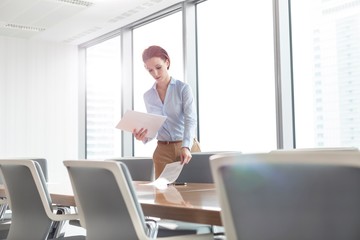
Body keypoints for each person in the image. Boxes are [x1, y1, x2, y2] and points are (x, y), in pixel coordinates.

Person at [133, 45, 201, 178]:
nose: (155, 74)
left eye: (158, 68)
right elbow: (154, 126)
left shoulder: (183, 89)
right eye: (150, 70)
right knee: (163, 196)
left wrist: (186, 146)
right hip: (162, 151)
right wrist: (144, 136)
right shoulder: (148, 96)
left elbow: (190, 120)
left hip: (187, 148)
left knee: (192, 193)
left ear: (167, 62)